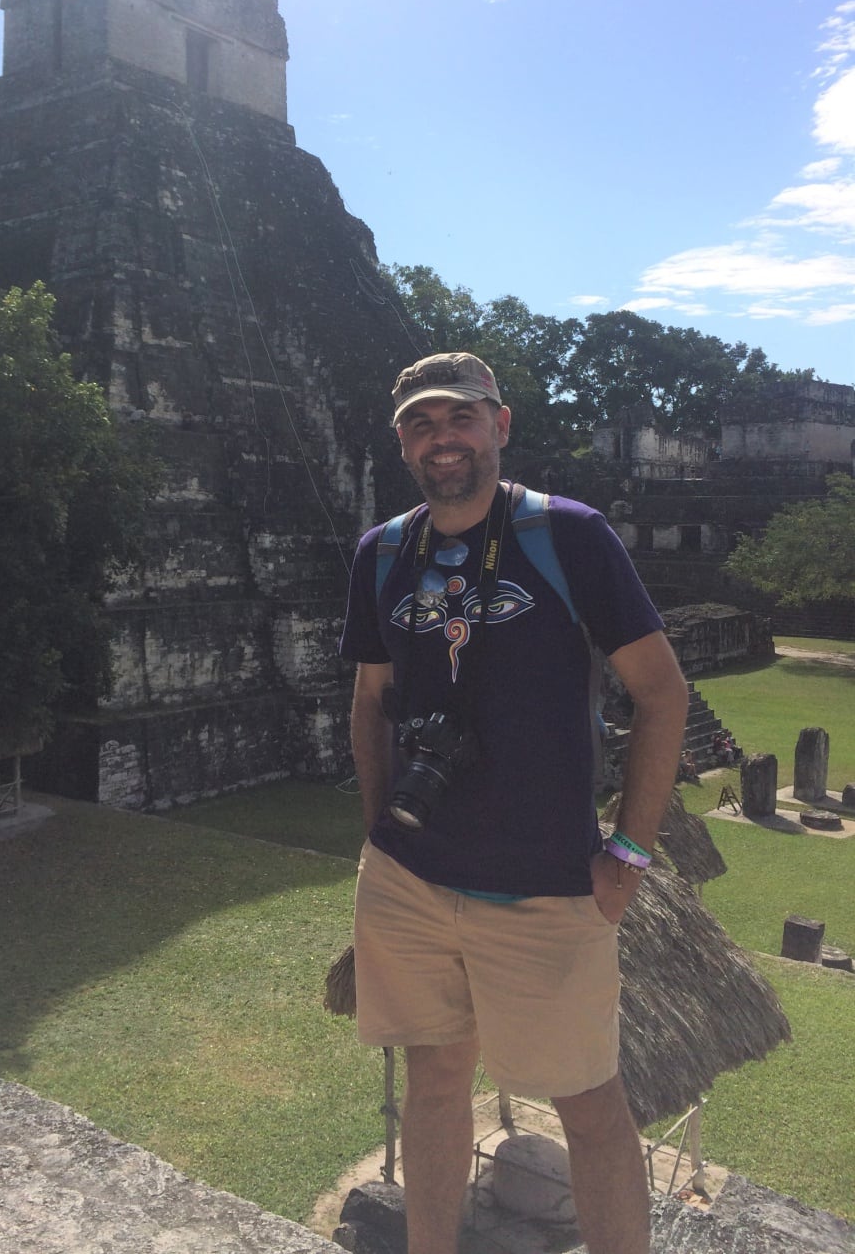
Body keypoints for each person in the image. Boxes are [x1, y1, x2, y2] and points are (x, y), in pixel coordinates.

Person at [340, 352, 689, 1254]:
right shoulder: (382, 551)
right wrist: (381, 836)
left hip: (545, 886)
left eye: (460, 418)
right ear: (403, 443)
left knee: (590, 1107)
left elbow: (662, 692)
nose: (440, 438)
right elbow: (370, 700)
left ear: (500, 425)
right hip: (412, 880)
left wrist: (629, 854)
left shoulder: (566, 534)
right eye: (420, 423)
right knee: (434, 1080)